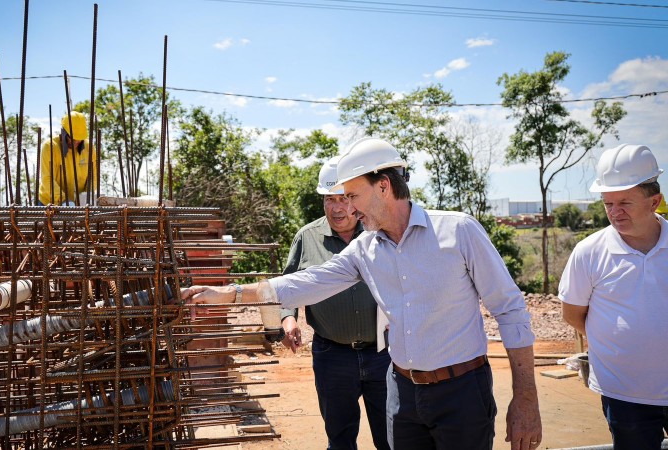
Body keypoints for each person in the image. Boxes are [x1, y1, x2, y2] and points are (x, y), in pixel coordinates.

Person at [183, 137, 542, 450]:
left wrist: (525, 399)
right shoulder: (365, 250)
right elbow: (303, 282)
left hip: (462, 392)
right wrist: (226, 293)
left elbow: (510, 311)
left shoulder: (459, 232)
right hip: (402, 394)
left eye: (353, 195)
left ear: (384, 186)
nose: (348, 208)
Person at [559, 143, 668, 450]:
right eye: (608, 203)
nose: (614, 212)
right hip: (624, 395)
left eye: (624, 202)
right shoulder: (590, 252)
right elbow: (573, 313)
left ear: (654, 202)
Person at [280, 156, 391, 450]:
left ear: (355, 200)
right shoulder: (307, 238)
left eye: (344, 198)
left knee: (392, 437)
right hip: (333, 357)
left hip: (382, 353)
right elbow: (288, 285)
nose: (337, 207)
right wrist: (287, 318)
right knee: (340, 439)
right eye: (330, 199)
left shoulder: (378, 233)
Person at [37, 111, 98, 206]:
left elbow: (93, 176)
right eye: (72, 138)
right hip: (49, 203)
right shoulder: (49, 147)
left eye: (79, 138)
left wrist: (86, 196)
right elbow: (47, 178)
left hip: (77, 204)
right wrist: (64, 200)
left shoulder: (89, 149)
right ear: (64, 132)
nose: (76, 142)